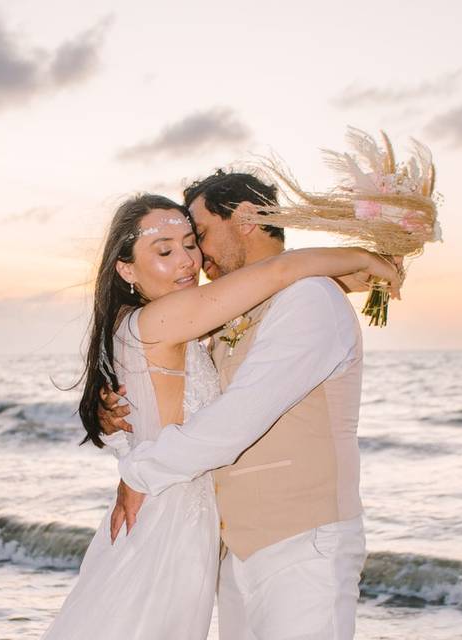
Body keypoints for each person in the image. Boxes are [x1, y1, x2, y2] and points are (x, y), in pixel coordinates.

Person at [42, 192, 400, 640]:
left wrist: (355, 276)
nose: (192, 259)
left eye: (194, 240)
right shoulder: (168, 318)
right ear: (126, 270)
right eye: (165, 251)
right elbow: (279, 271)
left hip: (250, 536)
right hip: (180, 523)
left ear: (247, 219)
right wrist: (362, 256)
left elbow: (280, 288)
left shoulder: (190, 318)